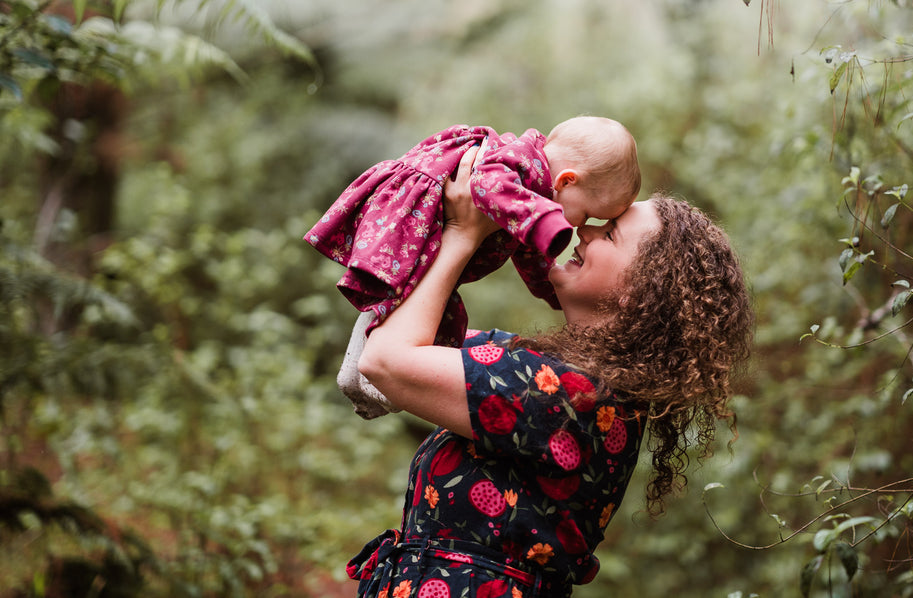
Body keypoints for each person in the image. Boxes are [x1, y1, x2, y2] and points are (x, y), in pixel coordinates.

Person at [345, 149, 754, 597]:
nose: (585, 230)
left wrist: (463, 235)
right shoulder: (539, 370)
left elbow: (384, 362)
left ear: (643, 292)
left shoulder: (572, 397)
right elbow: (399, 336)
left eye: (610, 231)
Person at [306, 117, 641, 419]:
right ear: (567, 181)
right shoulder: (525, 165)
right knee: (398, 301)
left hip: (433, 234)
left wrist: (548, 287)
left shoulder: (530, 195)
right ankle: (364, 382)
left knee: (416, 308)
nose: (581, 229)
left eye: (607, 233)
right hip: (420, 221)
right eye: (587, 216)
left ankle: (365, 385)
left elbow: (529, 256)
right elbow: (487, 184)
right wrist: (546, 224)